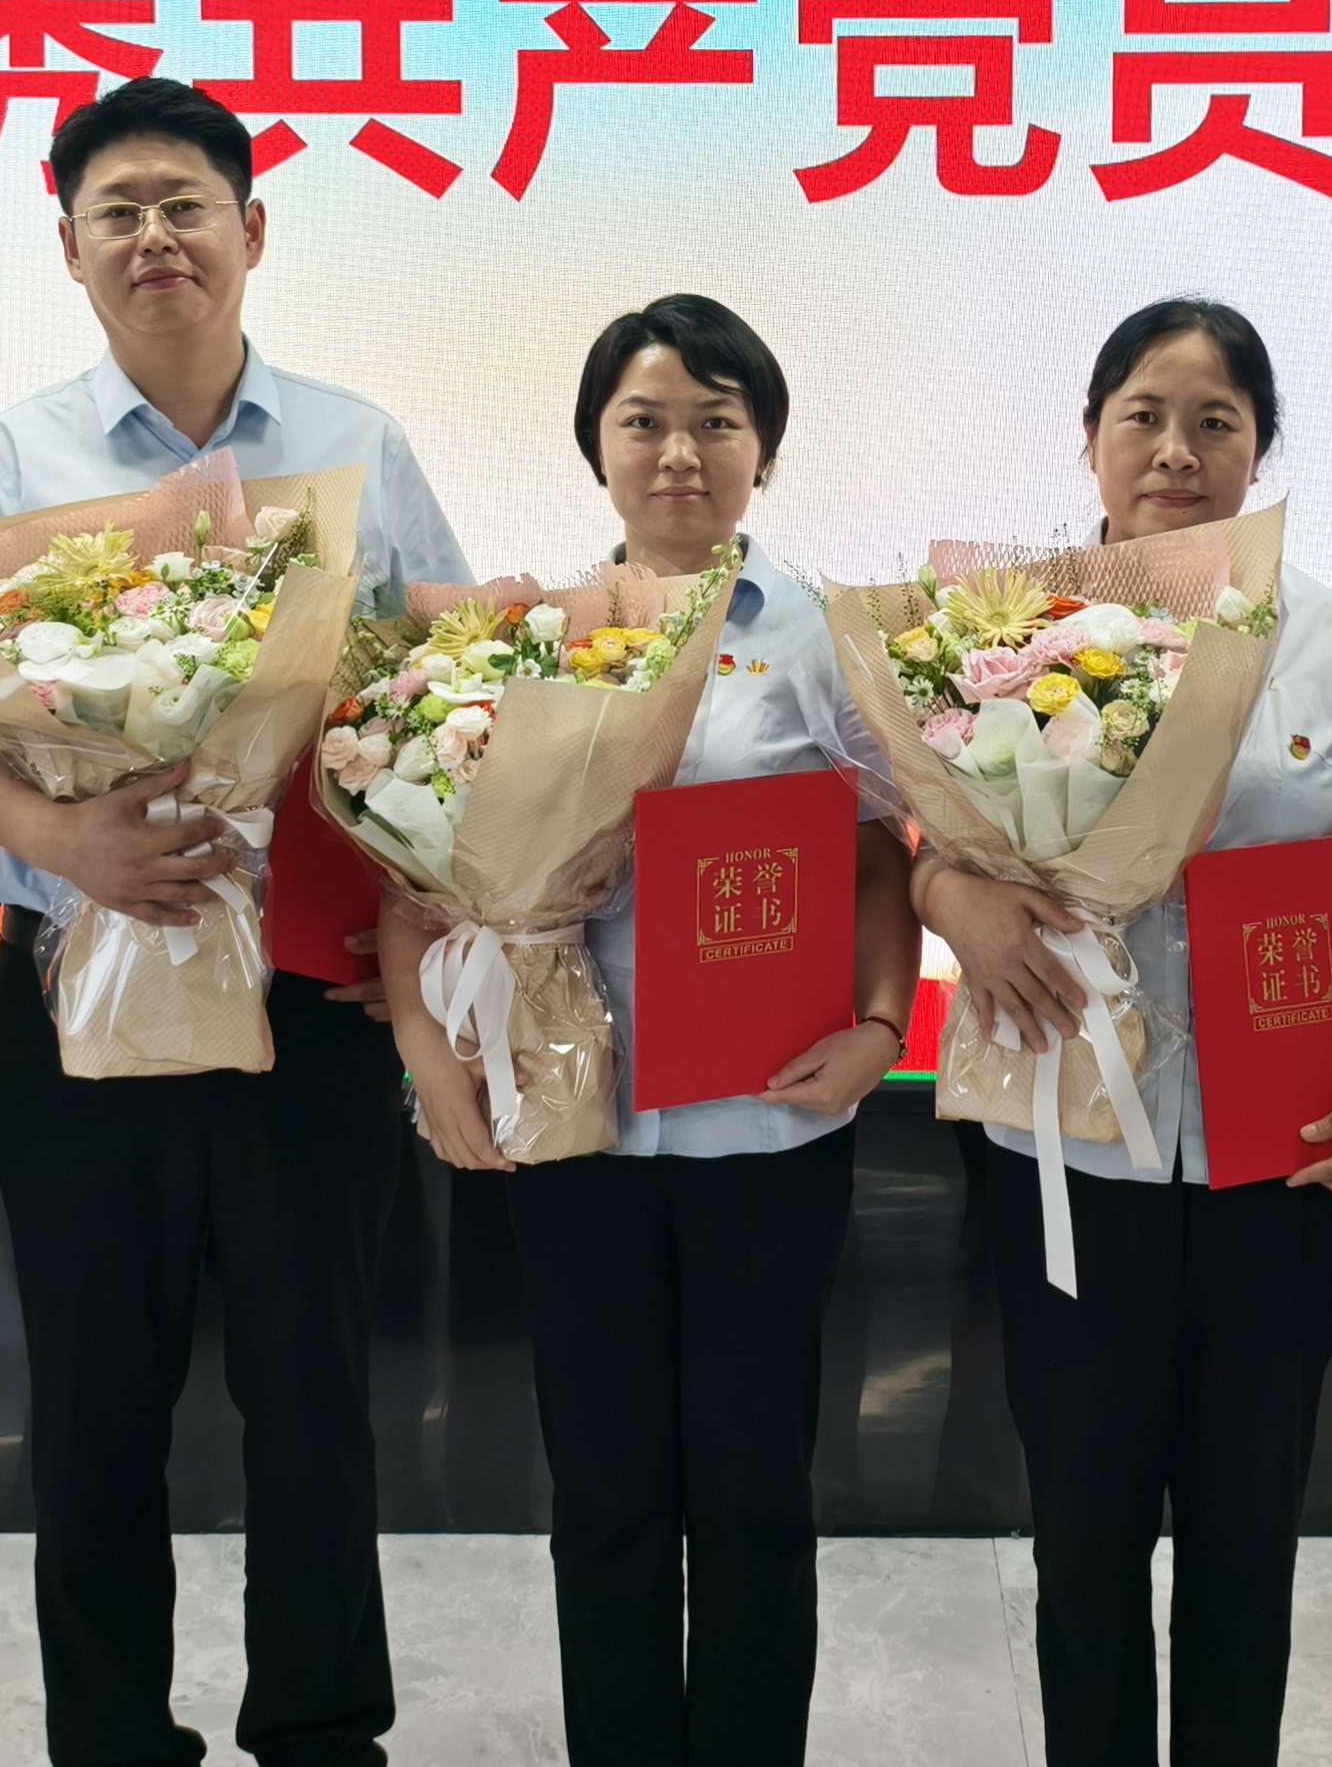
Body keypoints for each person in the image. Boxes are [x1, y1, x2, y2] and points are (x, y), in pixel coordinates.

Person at [0, 74, 468, 1767]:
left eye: (184, 204)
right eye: (118, 211)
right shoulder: (12, 456)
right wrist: (59, 839)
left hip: (304, 995)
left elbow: (437, 691)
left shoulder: (356, 444)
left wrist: (414, 925)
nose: (154, 236)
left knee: (314, 1393)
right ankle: (107, 1734)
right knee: (93, 1398)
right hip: (75, 983)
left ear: (250, 229)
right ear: (69, 246)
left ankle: (321, 1727)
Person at [911, 298, 1332, 1767]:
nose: (1176, 449)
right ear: (1088, 436)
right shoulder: (997, 634)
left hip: (1283, 1154)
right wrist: (958, 904)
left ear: (1259, 451)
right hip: (1068, 1153)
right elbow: (935, 851)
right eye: (1143, 415)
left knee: (1246, 1535)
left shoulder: (1326, 634)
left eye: (1217, 422)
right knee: (1082, 1539)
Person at [382, 294, 919, 1767]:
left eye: (715, 421)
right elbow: (422, 866)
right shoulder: (526, 641)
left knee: (756, 1488)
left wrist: (883, 1025)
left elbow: (883, 854)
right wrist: (429, 1057)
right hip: (578, 1122)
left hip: (770, 1116)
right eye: (645, 422)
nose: (680, 452)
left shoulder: (826, 638)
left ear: (763, 448)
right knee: (606, 1489)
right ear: (597, 447)